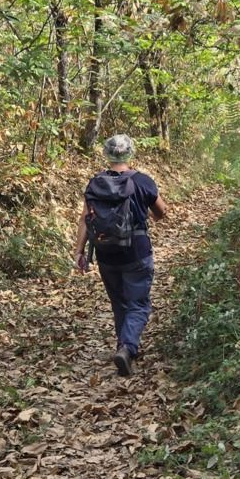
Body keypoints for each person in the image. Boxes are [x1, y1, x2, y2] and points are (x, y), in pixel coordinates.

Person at [73, 134, 168, 376]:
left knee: (119, 302)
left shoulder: (95, 183)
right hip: (136, 251)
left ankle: (122, 345)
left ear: (107, 155)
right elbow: (161, 211)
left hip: (106, 254)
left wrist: (79, 251)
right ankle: (127, 348)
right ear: (130, 153)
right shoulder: (142, 181)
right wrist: (151, 216)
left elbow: (85, 219)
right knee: (138, 303)